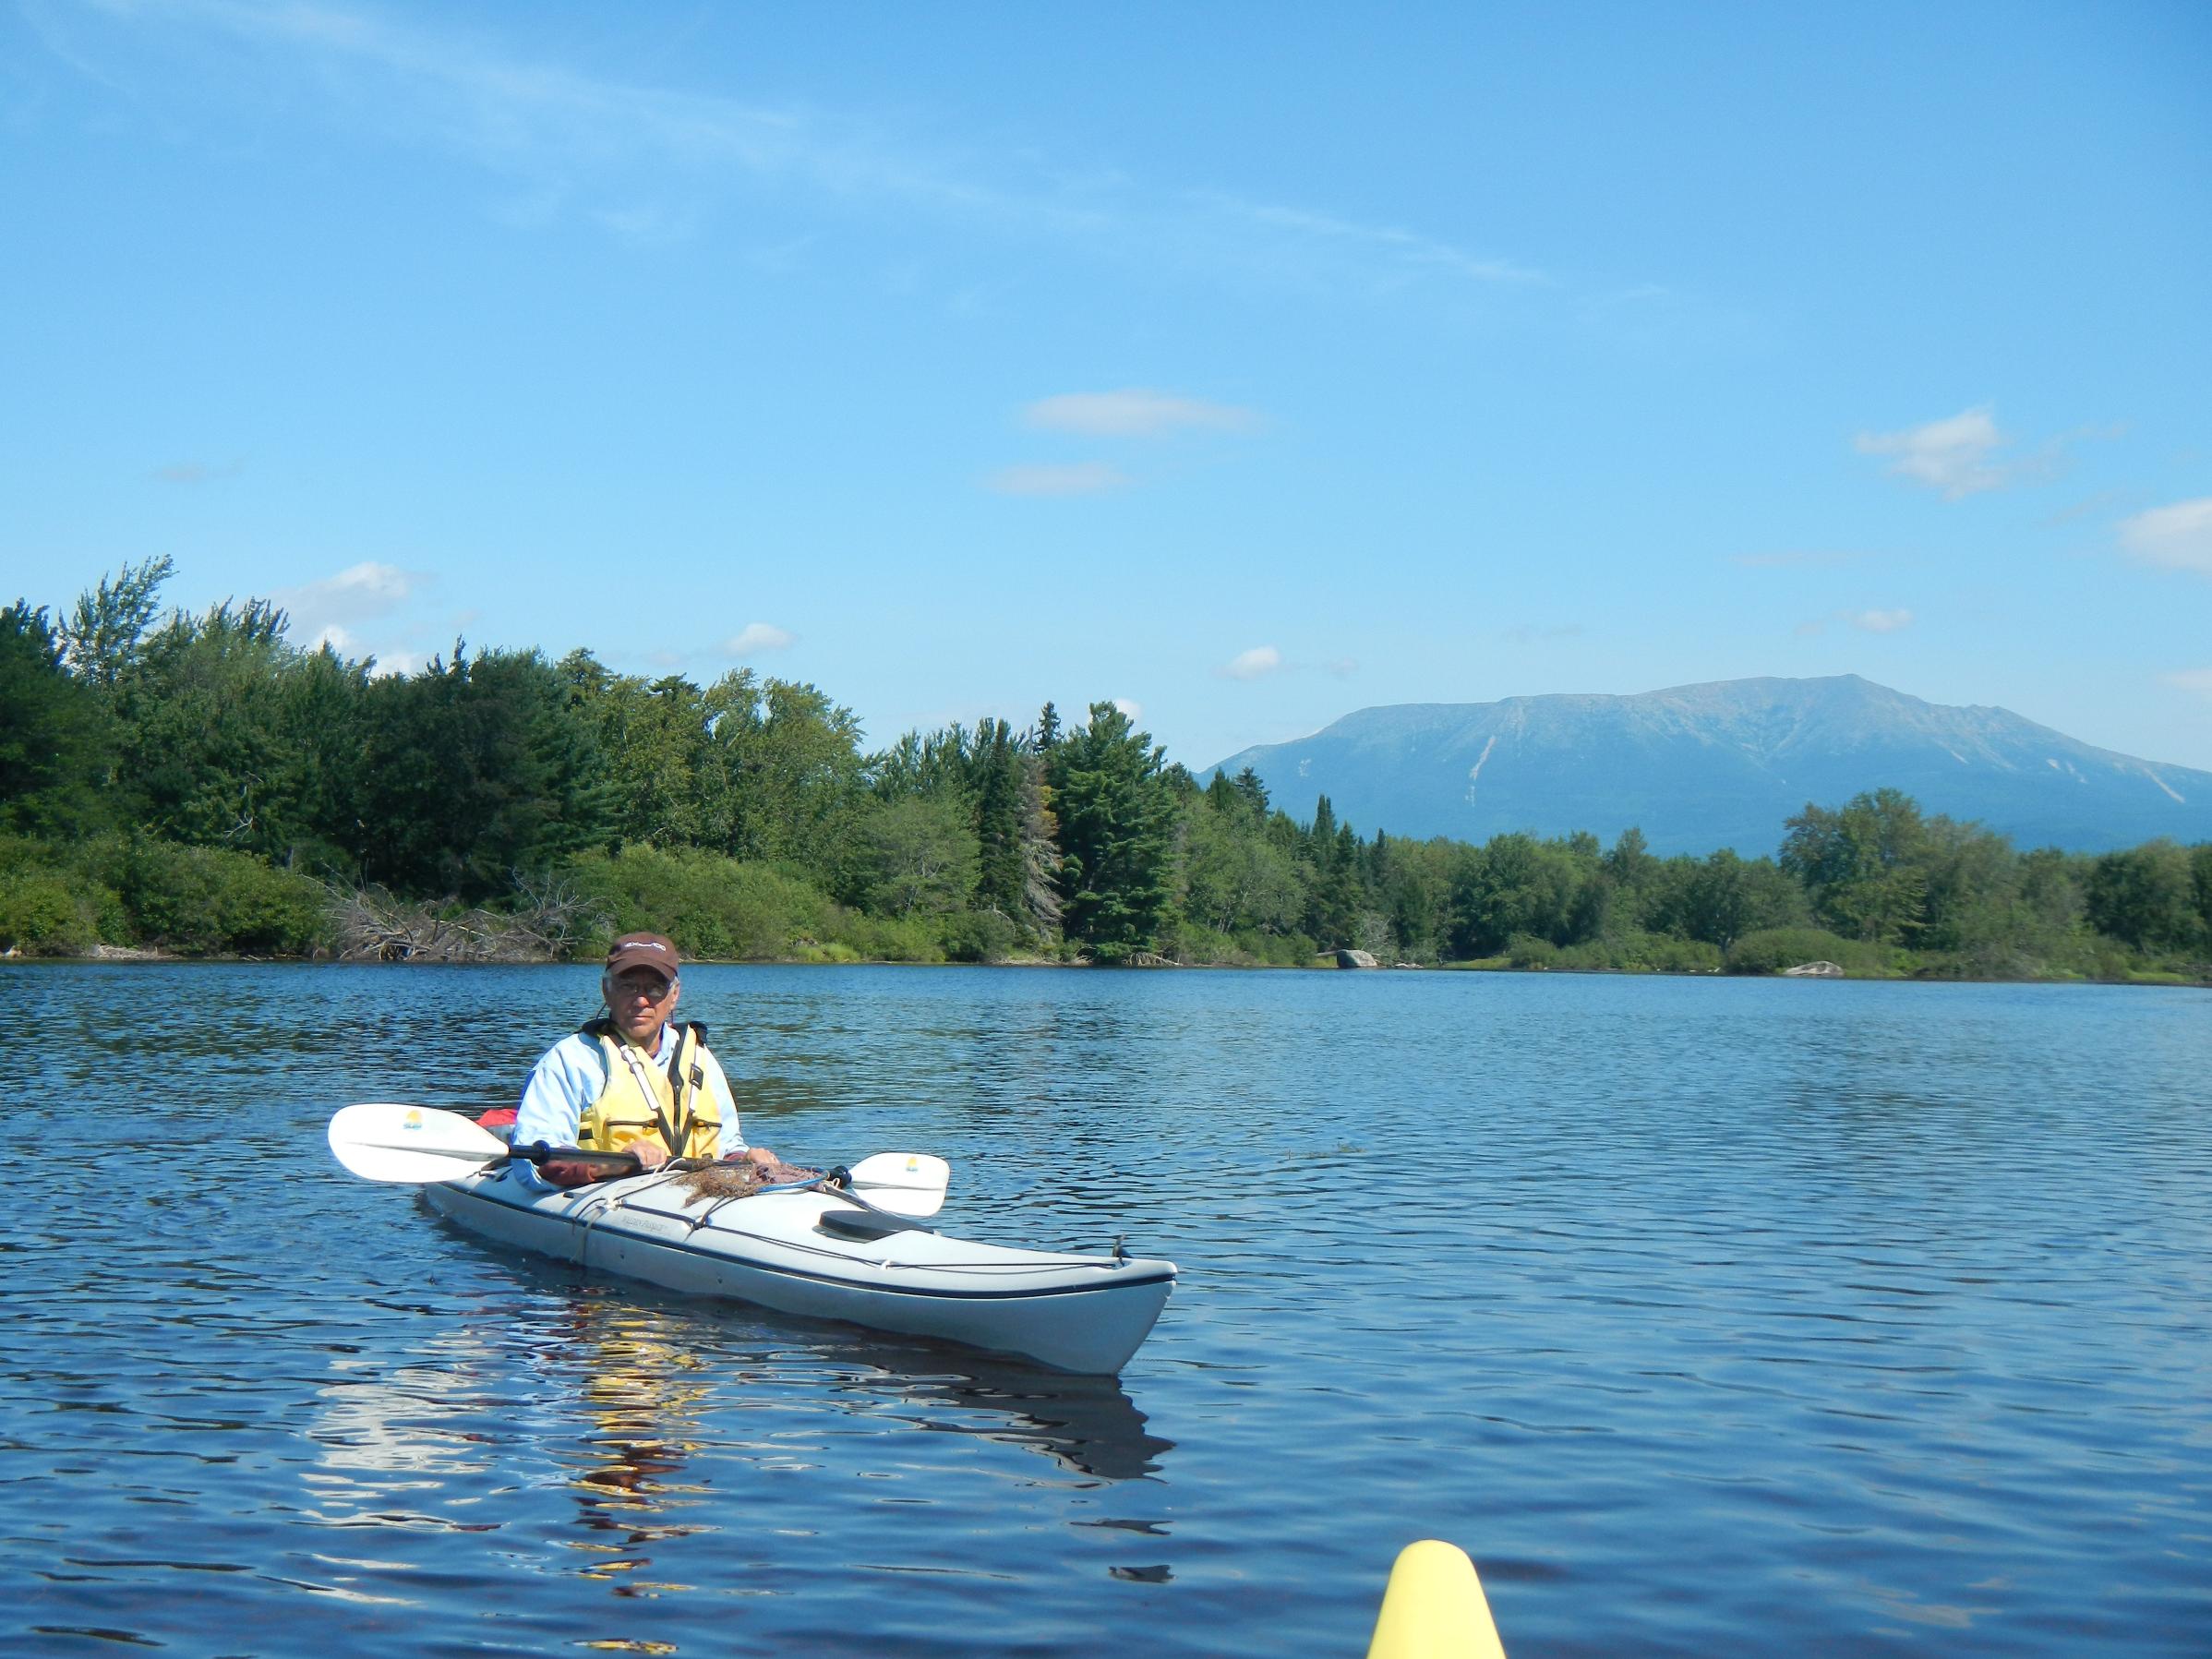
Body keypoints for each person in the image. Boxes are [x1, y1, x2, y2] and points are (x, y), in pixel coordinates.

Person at [512, 932, 779, 1188]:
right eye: (628, 987)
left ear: (674, 995)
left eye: (654, 988)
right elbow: (534, 1164)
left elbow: (728, 1145)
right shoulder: (571, 1059)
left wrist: (744, 1159)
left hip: (695, 1194)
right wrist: (610, 1165)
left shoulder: (701, 1058)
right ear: (607, 990)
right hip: (606, 1199)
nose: (641, 1000)